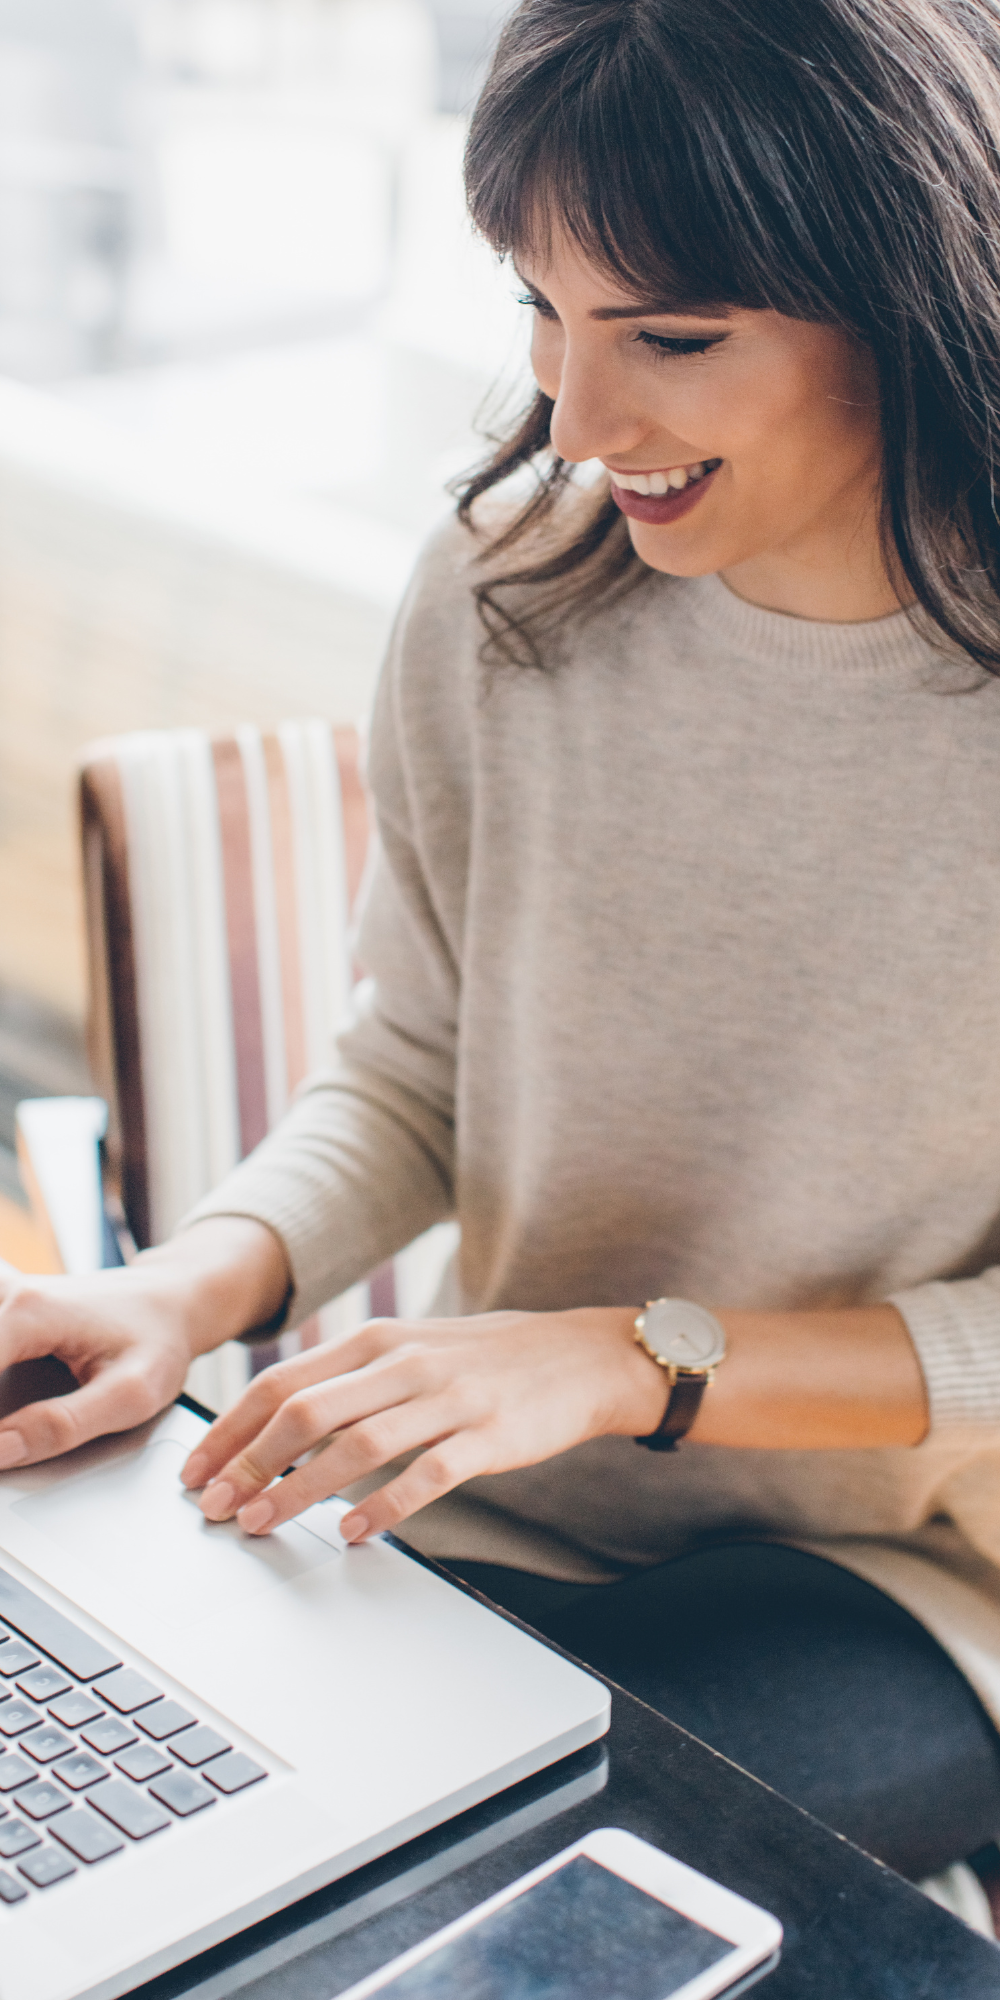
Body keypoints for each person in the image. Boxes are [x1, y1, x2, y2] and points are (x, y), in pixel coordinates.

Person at [4, 0, 1000, 1895]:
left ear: (919, 291)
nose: (578, 415)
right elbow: (413, 1059)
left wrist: (636, 1360)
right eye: (541, 307)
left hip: (915, 1578)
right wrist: (183, 1291)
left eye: (675, 337)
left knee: (485, 1886)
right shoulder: (508, 586)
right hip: (495, 1509)